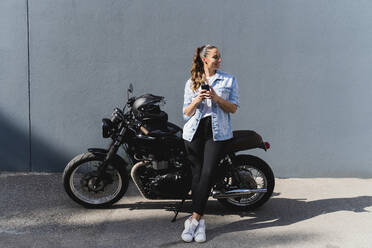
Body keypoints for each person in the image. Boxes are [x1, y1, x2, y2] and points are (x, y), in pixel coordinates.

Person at [181, 44, 239, 242]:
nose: (219, 60)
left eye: (219, 57)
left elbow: (233, 108)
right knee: (197, 177)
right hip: (194, 131)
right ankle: (202, 223)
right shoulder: (192, 82)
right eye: (216, 57)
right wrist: (197, 100)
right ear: (205, 59)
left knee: (207, 174)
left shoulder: (229, 79)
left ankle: (194, 219)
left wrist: (216, 98)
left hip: (217, 133)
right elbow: (186, 113)